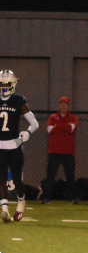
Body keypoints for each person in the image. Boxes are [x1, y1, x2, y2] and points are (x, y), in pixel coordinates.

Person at [0, 70, 39, 222]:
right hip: (0, 146)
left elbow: (34, 123)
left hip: (15, 145)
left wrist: (27, 133)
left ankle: (21, 202)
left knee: (17, 181)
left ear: (13, 84)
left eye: (6, 83)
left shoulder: (18, 100)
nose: (3, 86)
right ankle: (4, 209)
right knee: (1, 178)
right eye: (1, 83)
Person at [42, 97, 79, 204]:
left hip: (68, 152)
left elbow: (71, 129)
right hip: (54, 151)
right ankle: (46, 197)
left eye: (65, 104)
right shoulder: (52, 117)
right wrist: (65, 129)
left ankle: (72, 197)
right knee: (50, 176)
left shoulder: (73, 118)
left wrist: (58, 127)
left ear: (68, 106)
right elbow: (50, 129)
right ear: (59, 105)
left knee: (70, 176)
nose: (63, 106)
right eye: (61, 104)